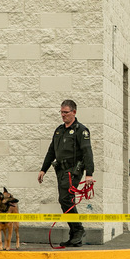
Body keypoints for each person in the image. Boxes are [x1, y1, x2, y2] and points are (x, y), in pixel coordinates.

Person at [38, 99, 95, 247]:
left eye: (66, 112)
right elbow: (51, 151)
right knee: (65, 200)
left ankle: (78, 230)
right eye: (61, 112)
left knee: (65, 199)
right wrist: (43, 169)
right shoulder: (59, 130)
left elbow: (87, 152)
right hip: (61, 170)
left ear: (74, 112)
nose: (63, 115)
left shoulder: (81, 130)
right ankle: (75, 235)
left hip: (73, 171)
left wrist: (89, 173)